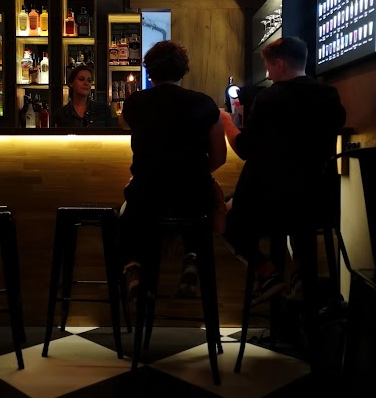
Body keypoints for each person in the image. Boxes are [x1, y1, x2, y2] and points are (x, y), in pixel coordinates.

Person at [220, 36, 346, 307]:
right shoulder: (330, 95)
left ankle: (268, 273)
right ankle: (301, 276)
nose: (267, 75)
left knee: (223, 214)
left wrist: (228, 123)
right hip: (319, 202)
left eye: (269, 68)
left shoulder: (270, 98)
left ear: (279, 64)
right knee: (300, 216)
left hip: (271, 204)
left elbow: (245, 149)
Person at [118, 40, 227, 299]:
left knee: (125, 213)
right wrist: (192, 170)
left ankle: (134, 266)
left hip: (147, 197)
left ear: (149, 71)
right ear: (183, 71)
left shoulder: (135, 103)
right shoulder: (204, 104)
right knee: (195, 202)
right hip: (194, 197)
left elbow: (122, 123)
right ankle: (192, 258)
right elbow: (219, 157)